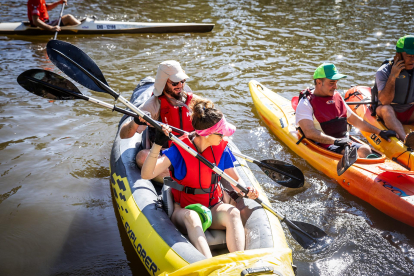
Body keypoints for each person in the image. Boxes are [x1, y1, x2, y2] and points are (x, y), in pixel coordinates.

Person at [140, 97, 259, 258]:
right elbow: (146, 174)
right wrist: (158, 144)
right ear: (208, 134)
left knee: (233, 213)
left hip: (213, 206)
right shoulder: (180, 149)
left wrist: (248, 191)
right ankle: (209, 266)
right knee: (193, 216)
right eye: (222, 133)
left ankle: (240, 262)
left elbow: (235, 182)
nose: (225, 137)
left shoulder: (222, 149)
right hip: (184, 210)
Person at [296, 63, 396, 158]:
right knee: (349, 153)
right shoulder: (306, 103)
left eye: (336, 83)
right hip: (321, 144)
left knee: (365, 149)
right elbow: (309, 132)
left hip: (341, 141)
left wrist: (380, 132)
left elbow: (355, 120)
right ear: (318, 82)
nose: (335, 87)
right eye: (331, 83)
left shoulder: (337, 97)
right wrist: (335, 141)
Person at [120, 60, 197, 182]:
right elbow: (123, 135)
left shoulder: (192, 100)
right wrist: (136, 121)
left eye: (183, 81)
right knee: (142, 157)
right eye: (175, 82)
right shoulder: (153, 105)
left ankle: (188, 178)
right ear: (163, 82)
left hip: (193, 150)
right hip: (167, 154)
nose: (180, 85)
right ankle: (180, 181)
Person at [375, 35, 414, 147]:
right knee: (386, 109)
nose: (412, 59)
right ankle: (406, 141)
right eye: (408, 55)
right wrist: (393, 76)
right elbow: (385, 101)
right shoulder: (383, 71)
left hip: (409, 110)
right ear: (398, 55)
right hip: (389, 110)